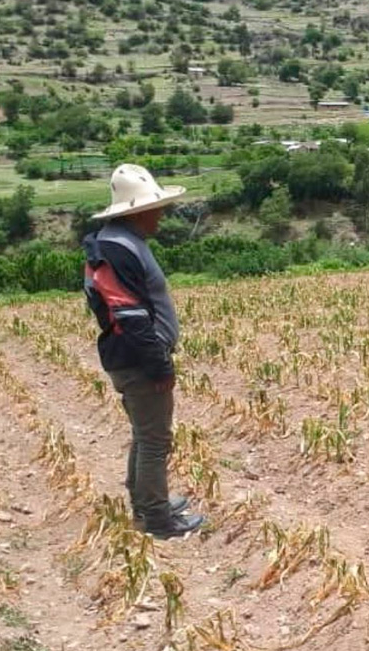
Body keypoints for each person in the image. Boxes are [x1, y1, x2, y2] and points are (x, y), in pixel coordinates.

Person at [82, 164, 205, 540]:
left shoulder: (116, 244)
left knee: (144, 434)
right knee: (155, 440)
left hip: (127, 357)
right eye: (156, 207)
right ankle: (156, 519)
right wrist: (159, 365)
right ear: (138, 210)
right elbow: (131, 316)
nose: (161, 214)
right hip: (138, 359)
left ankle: (146, 503)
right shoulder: (120, 250)